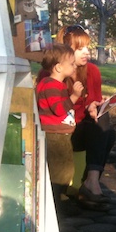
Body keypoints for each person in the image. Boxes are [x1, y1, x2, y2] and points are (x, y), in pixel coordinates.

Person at [56, 24, 116, 210]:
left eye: (87, 47)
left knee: (105, 123)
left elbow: (93, 102)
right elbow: (54, 110)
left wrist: (94, 107)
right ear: (66, 50)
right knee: (103, 131)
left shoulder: (92, 71)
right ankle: (88, 187)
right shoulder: (54, 72)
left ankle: (91, 182)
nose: (86, 52)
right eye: (79, 48)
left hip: (84, 130)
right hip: (62, 132)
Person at [36, 43, 84, 207]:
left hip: (61, 133)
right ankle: (56, 199)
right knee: (62, 168)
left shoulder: (55, 84)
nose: (74, 66)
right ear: (58, 67)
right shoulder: (51, 85)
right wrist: (75, 96)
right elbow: (58, 109)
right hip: (55, 134)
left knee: (64, 167)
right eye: (71, 64)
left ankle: (58, 196)